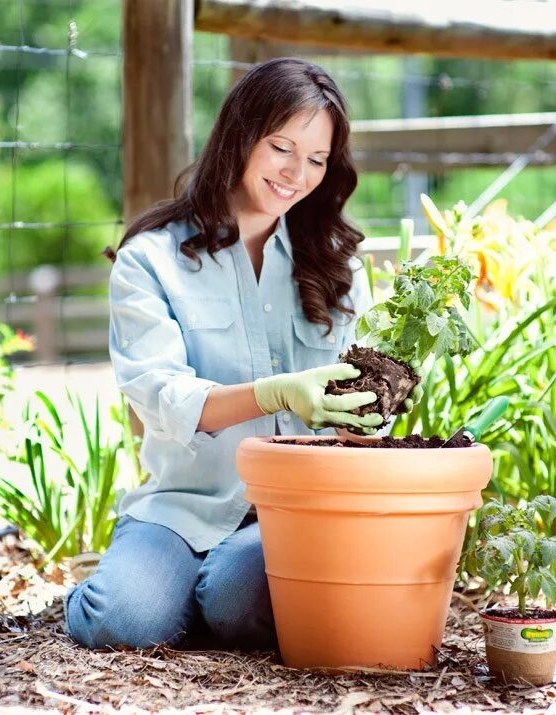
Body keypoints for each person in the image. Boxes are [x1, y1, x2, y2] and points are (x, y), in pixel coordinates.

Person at [63, 57, 422, 653]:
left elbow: (364, 408)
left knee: (238, 602)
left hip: (292, 512)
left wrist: (372, 409)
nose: (296, 173)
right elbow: (160, 395)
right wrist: (276, 392)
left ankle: (201, 597)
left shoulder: (335, 265)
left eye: (316, 159)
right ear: (241, 136)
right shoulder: (151, 259)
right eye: (282, 147)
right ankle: (151, 587)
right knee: (119, 623)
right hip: (182, 506)